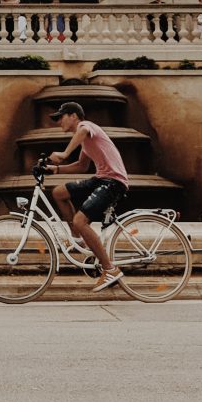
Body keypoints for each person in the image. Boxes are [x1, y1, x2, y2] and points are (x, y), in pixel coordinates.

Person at [45, 101, 129, 292]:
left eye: (61, 117)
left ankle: (110, 269)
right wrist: (56, 169)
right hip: (101, 179)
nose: (59, 122)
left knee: (81, 220)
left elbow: (82, 131)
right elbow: (81, 167)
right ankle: (79, 238)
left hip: (113, 182)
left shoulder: (86, 126)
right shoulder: (85, 140)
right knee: (59, 192)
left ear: (73, 116)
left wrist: (64, 153)